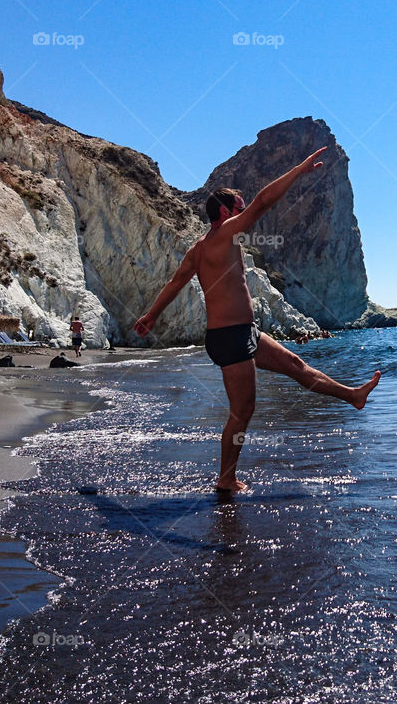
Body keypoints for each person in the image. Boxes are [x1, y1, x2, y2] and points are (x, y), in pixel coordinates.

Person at [133, 147, 380, 493]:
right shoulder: (223, 236)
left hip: (243, 333)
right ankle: (226, 479)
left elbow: (176, 283)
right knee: (242, 411)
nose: (244, 211)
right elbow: (264, 202)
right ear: (223, 211)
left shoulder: (200, 249)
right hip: (230, 336)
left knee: (295, 364)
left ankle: (352, 395)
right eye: (238, 206)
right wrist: (299, 170)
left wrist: (151, 316)